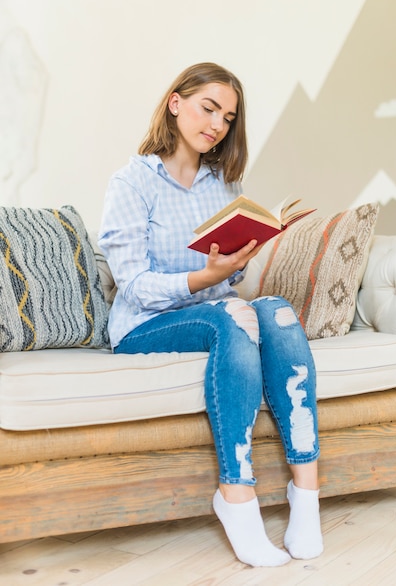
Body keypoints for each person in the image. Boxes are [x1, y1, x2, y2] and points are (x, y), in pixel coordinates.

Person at [98, 62, 323, 568]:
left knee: (278, 313)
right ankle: (236, 495)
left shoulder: (221, 186)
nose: (218, 123)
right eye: (208, 108)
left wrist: (233, 268)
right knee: (232, 319)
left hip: (207, 310)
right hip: (141, 325)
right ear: (175, 103)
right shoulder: (132, 182)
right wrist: (207, 281)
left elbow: (224, 283)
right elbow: (133, 286)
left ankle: (305, 492)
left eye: (227, 116)